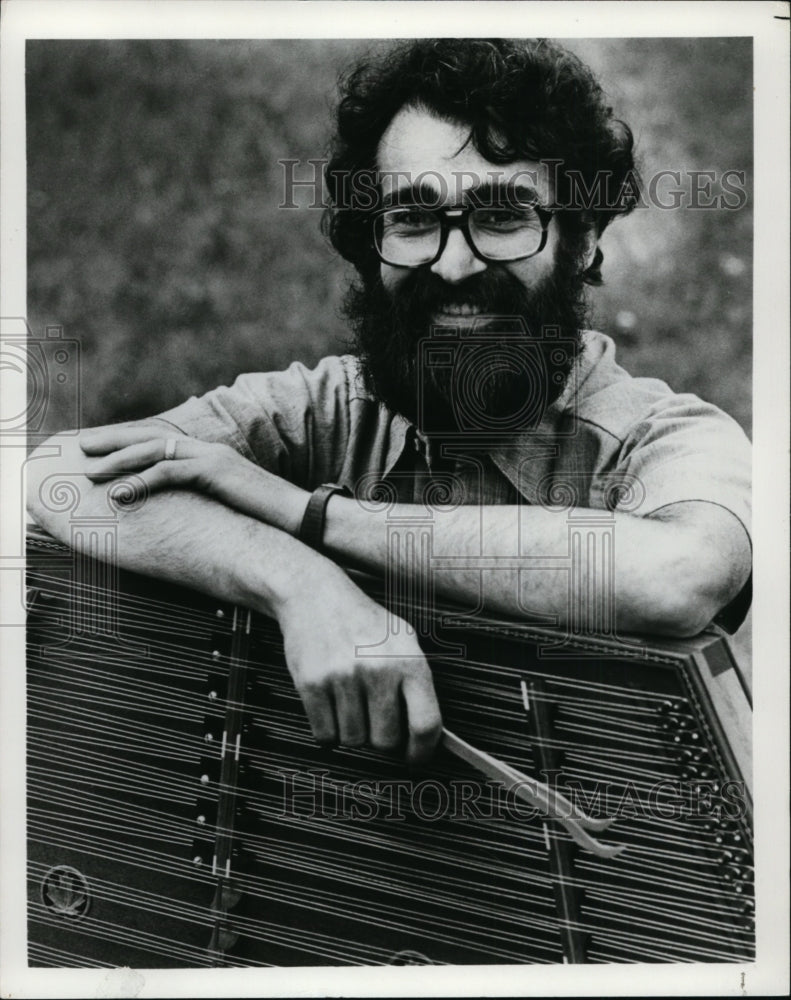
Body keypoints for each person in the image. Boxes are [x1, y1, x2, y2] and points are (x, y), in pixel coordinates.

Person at [27, 38, 752, 766]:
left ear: (583, 239)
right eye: (413, 218)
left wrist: (310, 516)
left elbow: (678, 575)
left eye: (502, 218)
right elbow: (61, 474)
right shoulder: (327, 408)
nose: (454, 264)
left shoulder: (662, 436)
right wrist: (298, 583)